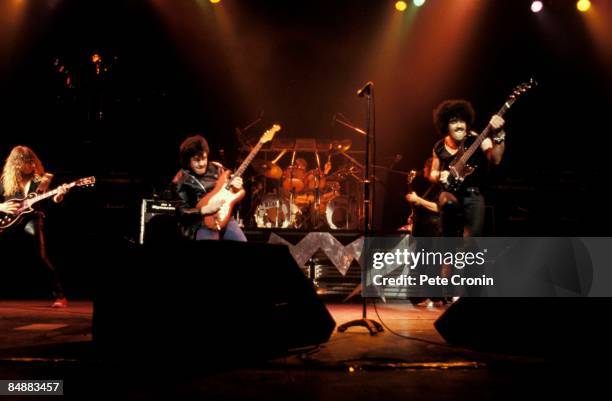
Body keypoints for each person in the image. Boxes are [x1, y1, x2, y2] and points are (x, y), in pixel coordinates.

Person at [0, 146, 70, 307]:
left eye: (33, 161)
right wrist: (1, 207)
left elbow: (52, 200)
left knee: (40, 255)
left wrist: (59, 195)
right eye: (27, 162)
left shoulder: (43, 180)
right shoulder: (5, 181)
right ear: (17, 164)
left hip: (32, 218)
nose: (32, 165)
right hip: (7, 220)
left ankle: (60, 296)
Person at [427, 99, 506, 237]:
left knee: (471, 241)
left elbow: (496, 159)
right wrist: (440, 175)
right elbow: (432, 173)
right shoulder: (439, 147)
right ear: (446, 125)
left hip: (472, 194)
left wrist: (499, 135)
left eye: (462, 121)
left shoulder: (477, 139)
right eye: (453, 121)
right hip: (450, 193)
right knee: (448, 204)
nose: (459, 125)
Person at [173, 135, 247, 241]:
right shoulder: (180, 180)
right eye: (196, 160)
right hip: (200, 223)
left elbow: (231, 192)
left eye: (204, 158)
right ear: (187, 160)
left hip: (225, 217)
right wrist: (204, 210)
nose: (202, 163)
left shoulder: (217, 168)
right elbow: (181, 213)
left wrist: (237, 186)